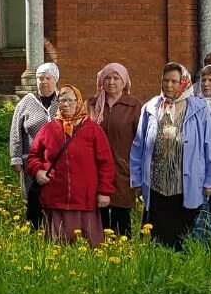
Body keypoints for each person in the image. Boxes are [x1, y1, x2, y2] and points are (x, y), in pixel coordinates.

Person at [129, 63, 211, 250]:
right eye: (166, 80)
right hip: (157, 185)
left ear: (184, 82)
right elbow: (139, 145)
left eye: (174, 81)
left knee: (183, 238)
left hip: (186, 185)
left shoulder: (198, 108)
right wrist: (136, 178)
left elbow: (209, 146)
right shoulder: (151, 107)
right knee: (157, 237)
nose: (169, 85)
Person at [26, 85, 116, 247]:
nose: (66, 104)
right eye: (62, 100)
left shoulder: (93, 129)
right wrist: (38, 170)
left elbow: (106, 163)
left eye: (70, 100)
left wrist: (104, 191)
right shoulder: (49, 129)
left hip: (85, 199)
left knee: (88, 248)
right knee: (57, 248)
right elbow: (33, 156)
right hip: (56, 197)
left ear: (79, 102)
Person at [88, 62, 142, 237]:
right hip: (95, 168)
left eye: (116, 78)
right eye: (107, 78)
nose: (111, 82)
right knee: (98, 215)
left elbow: (141, 140)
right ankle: (98, 254)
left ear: (124, 81)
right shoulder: (92, 104)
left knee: (121, 217)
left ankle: (122, 256)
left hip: (123, 169)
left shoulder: (134, 106)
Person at [9, 63, 59, 230]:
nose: (44, 81)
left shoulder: (62, 101)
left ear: (55, 80)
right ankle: (34, 231)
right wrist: (15, 158)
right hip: (32, 161)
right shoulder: (26, 102)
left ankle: (55, 231)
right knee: (34, 197)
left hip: (57, 161)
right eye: (40, 78)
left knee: (56, 197)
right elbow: (16, 131)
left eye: (48, 78)